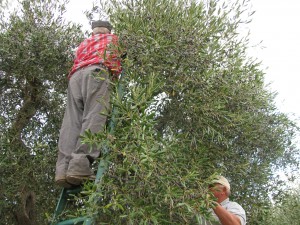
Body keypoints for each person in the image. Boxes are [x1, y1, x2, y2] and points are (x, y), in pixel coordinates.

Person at [55, 20, 121, 188]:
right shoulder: (113, 40)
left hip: (75, 78)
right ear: (108, 30)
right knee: (95, 115)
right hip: (96, 73)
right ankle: (80, 165)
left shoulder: (83, 44)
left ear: (93, 32)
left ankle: (62, 169)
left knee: (71, 122)